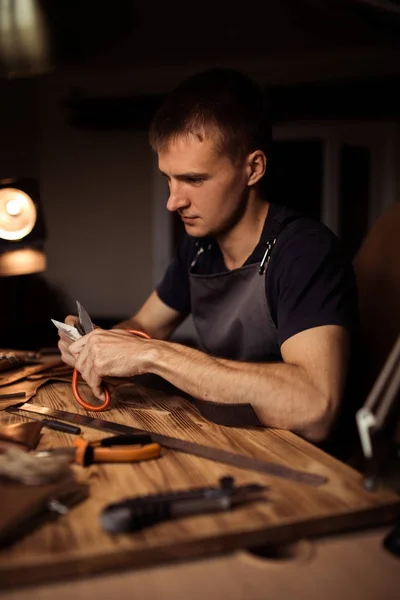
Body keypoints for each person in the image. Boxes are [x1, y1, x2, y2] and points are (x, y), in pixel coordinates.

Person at [58, 68, 359, 456]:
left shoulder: (304, 252)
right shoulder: (198, 249)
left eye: (194, 180)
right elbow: (144, 326)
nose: (173, 201)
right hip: (231, 441)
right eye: (168, 179)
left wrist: (152, 355)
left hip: (305, 463)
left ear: (253, 168)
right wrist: (98, 342)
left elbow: (316, 407)